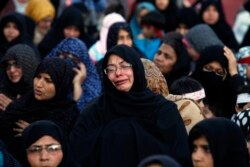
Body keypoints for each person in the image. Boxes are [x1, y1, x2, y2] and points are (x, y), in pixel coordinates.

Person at [70, 45, 192, 167]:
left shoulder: (163, 110)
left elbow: (180, 156)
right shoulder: (95, 111)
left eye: (124, 66)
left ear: (136, 68)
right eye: (111, 69)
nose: (118, 73)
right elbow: (77, 153)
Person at [0, 57, 78, 164]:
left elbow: (71, 150)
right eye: (38, 77)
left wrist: (36, 134)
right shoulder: (21, 104)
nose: (39, 84)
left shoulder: (69, 114)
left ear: (61, 85)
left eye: (48, 80)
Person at [46, 37, 102, 111]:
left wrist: (77, 84)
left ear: (83, 63)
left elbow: (80, 112)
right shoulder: (45, 77)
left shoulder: (91, 87)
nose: (68, 60)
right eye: (65, 55)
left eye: (74, 58)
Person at [191, 45, 244, 118]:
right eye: (208, 68)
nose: (212, 75)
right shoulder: (186, 87)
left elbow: (244, 106)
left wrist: (233, 72)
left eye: (219, 72)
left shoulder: (228, 97)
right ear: (200, 66)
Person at [0, 44, 39, 111]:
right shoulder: (3, 91)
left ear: (28, 66)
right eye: (8, 65)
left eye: (17, 65)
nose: (12, 70)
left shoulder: (39, 92)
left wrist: (14, 108)